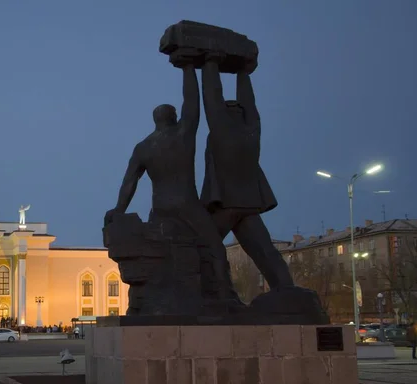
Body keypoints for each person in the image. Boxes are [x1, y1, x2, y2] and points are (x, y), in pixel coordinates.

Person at [105, 52, 242, 312]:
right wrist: (188, 67)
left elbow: (129, 183)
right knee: (214, 247)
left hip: (160, 208)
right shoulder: (183, 133)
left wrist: (118, 210)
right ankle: (225, 296)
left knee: (163, 254)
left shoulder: (143, 147)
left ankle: (153, 303)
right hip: (186, 204)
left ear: (155, 121)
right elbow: (193, 102)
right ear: (174, 117)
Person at [200, 54, 294, 292]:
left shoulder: (222, 130)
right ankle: (287, 291)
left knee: (201, 248)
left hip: (226, 204)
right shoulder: (251, 130)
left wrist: (210, 61)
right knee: (264, 251)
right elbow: (249, 102)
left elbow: (212, 94)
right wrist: (243, 72)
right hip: (250, 203)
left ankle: (213, 294)